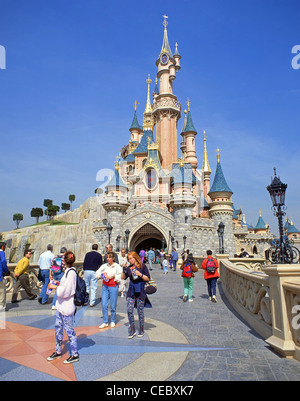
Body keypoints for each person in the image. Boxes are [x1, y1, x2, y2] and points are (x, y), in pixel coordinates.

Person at [47, 251, 79, 364]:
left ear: (65, 261)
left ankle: (75, 354)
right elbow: (65, 286)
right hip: (61, 307)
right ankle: (58, 351)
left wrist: (55, 287)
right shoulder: (67, 272)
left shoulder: (71, 273)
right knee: (58, 330)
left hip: (67, 307)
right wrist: (58, 284)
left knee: (69, 331)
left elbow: (66, 292)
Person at [122, 251, 151, 339]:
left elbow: (147, 278)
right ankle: (132, 329)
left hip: (140, 290)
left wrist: (140, 274)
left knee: (140, 311)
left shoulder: (142, 266)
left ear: (136, 257)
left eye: (131, 258)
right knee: (129, 310)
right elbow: (123, 277)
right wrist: (123, 269)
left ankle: (141, 328)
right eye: (129, 259)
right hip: (131, 290)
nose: (130, 260)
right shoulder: (129, 268)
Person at [96, 252, 122, 328]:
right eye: (107, 257)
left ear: (113, 258)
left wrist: (112, 276)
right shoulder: (104, 266)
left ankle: (113, 320)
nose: (108, 259)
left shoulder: (117, 266)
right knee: (104, 304)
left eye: (110, 257)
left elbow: (120, 275)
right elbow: (97, 273)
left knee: (113, 304)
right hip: (105, 286)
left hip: (113, 286)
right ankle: (105, 321)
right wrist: (102, 275)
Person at [0, 242, 10, 311]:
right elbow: (3, 261)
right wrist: (6, 270)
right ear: (3, 247)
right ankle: (2, 306)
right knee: (2, 290)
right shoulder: (1, 253)